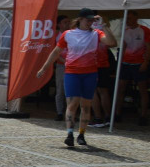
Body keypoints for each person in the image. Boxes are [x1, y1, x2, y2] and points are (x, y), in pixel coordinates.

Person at [37, 8, 118, 146]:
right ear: (80, 19)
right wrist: (44, 67)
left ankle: (81, 134)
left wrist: (104, 25)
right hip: (72, 73)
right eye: (88, 20)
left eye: (92, 20)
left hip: (90, 74)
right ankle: (69, 133)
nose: (90, 22)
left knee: (86, 106)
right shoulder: (68, 34)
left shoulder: (96, 33)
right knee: (73, 104)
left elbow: (112, 43)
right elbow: (56, 52)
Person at [118, 11, 150, 125]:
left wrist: (145, 62)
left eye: (130, 18)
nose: (128, 21)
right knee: (120, 87)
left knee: (142, 89)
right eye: (127, 19)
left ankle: (143, 115)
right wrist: (120, 63)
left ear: (136, 18)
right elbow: (123, 47)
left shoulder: (144, 30)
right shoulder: (125, 30)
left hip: (139, 63)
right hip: (126, 63)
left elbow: (148, 47)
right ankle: (117, 113)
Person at [52, 15, 70, 121]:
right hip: (61, 66)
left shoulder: (72, 35)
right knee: (60, 90)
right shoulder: (55, 36)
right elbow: (54, 52)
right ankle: (59, 112)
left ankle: (69, 112)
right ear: (59, 24)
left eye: (68, 22)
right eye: (65, 22)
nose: (67, 24)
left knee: (70, 91)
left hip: (72, 66)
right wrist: (64, 61)